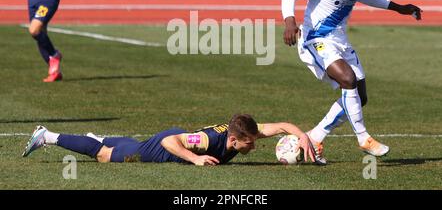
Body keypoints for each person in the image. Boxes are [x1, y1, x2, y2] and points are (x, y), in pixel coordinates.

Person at [281, 0, 422, 165]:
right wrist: (290, 22)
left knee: (360, 96)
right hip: (315, 39)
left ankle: (315, 137)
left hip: (339, 41)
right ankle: (363, 138)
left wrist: (398, 8)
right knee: (348, 80)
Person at [22, 113, 317, 165]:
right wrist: (196, 159)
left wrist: (302, 137)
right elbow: (168, 143)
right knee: (104, 155)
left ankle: (97, 137)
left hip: (169, 140)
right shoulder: (206, 142)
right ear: (236, 139)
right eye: (250, 142)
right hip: (163, 147)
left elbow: (278, 127)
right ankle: (46, 135)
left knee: (123, 145)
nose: (255, 145)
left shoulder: (242, 132)